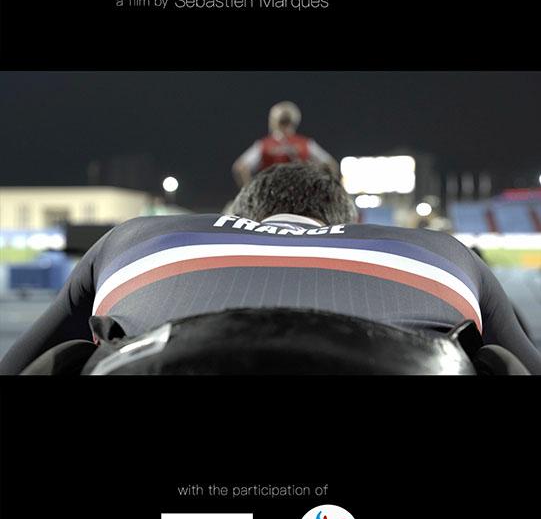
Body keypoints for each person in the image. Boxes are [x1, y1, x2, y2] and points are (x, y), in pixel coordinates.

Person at [1, 163, 540, 374]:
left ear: (238, 218)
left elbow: (21, 365)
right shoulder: (445, 253)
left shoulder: (135, 238)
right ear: (346, 226)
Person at [232, 101, 338, 186]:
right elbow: (331, 165)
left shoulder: (264, 145)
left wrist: (250, 191)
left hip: (271, 193)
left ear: (273, 121)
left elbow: (240, 168)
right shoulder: (306, 144)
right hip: (302, 194)